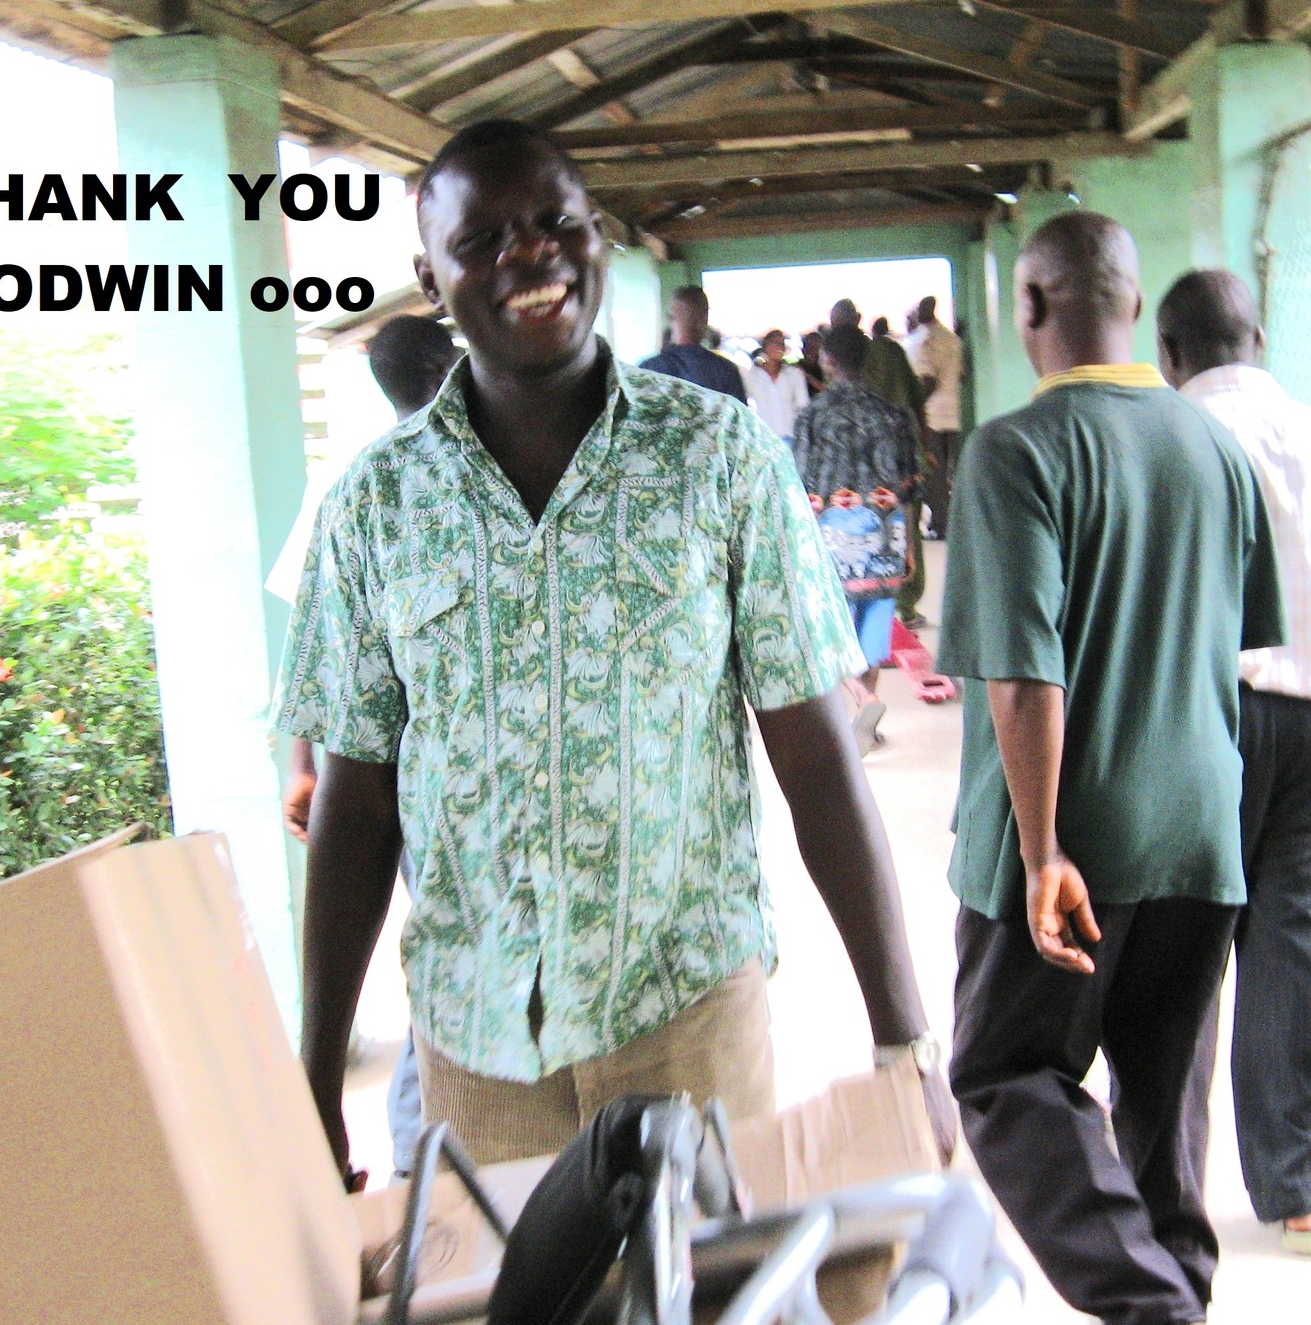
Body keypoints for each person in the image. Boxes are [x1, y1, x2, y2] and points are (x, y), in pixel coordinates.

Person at [274, 119, 956, 1184]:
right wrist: (313, 1077)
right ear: (430, 275)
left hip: (686, 1022)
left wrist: (902, 1038)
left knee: (705, 1276)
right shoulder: (375, 504)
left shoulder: (718, 457)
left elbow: (817, 757)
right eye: (481, 240)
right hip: (474, 1052)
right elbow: (355, 804)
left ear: (595, 235)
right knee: (506, 1280)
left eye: (555, 222)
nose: (529, 255)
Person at [939, 213, 1284, 1325]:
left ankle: (1155, 1310)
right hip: (1199, 833)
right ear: (1134, 306)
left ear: (1028, 306)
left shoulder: (1015, 452)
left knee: (1005, 1077)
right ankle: (1179, 1291)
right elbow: (1234, 641)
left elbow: (1021, 674)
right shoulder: (1214, 451)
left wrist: (1042, 850)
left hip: (1070, 842)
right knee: (1162, 1102)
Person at [1158, 269, 1311, 1258]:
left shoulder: (1172, 440)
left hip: (1211, 725)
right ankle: (1298, 1190)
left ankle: (1160, 1182)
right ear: (1257, 338)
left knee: (1177, 950)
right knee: (1302, 949)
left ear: (1169, 354)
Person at [268, 311, 460, 1178]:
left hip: (399, 778)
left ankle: (419, 1149)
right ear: (444, 362)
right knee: (449, 950)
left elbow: (307, 653)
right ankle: (420, 1142)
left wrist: (301, 766)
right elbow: (325, 646)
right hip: (410, 780)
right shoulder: (363, 487)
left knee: (440, 944)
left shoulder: (337, 480)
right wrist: (313, 771)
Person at [791, 326, 918, 757]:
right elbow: (910, 485)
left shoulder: (811, 417)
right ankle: (866, 721)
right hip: (885, 534)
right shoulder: (894, 415)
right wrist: (909, 545)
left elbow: (798, 486)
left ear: (826, 361)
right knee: (874, 632)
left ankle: (861, 702)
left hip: (830, 539)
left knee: (829, 629)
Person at [830, 299, 928, 626]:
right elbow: (917, 396)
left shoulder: (840, 362)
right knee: (906, 526)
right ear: (859, 319)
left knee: (863, 529)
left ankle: (868, 604)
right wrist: (924, 443)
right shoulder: (891, 351)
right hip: (900, 453)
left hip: (862, 461)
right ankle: (907, 606)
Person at [905, 296, 964, 540]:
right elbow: (962, 374)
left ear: (921, 313)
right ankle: (950, 520)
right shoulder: (952, 338)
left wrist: (912, 405)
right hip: (953, 413)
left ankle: (942, 523)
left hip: (931, 417)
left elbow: (928, 380)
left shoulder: (923, 340)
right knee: (949, 473)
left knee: (934, 473)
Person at [639, 284, 746, 402]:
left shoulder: (647, 370)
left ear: (671, 318)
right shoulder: (726, 371)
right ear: (705, 319)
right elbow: (739, 413)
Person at [744, 327, 809, 444]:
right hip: (763, 439)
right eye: (775, 343)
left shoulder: (794, 374)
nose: (780, 347)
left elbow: (803, 407)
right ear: (765, 346)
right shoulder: (752, 376)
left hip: (790, 438)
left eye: (782, 344)